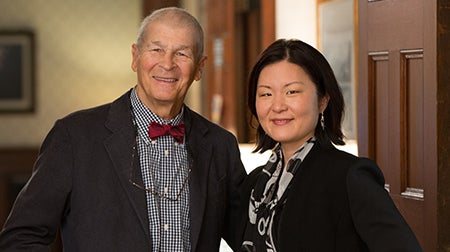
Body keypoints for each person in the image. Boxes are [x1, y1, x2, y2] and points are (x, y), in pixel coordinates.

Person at [0, 7, 247, 252]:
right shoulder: (74, 137)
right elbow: (21, 238)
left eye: (182, 54)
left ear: (200, 67)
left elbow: (252, 239)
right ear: (135, 56)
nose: (167, 63)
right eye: (156, 49)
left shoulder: (220, 145)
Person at [239, 39, 423, 251]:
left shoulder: (350, 178)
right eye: (266, 94)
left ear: (323, 100)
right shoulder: (255, 184)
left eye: (292, 92)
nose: (278, 105)